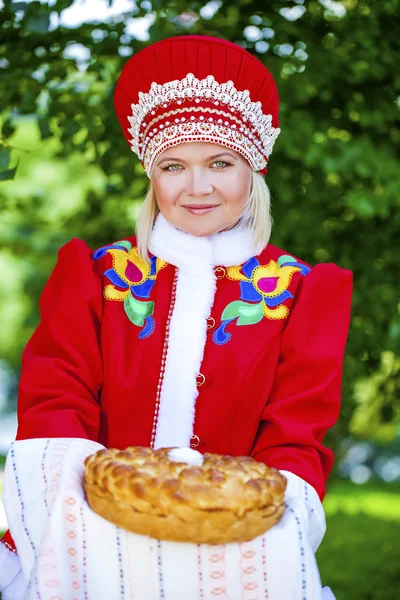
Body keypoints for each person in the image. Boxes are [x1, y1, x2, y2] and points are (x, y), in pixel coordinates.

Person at [0, 35, 352, 599]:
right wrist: (103, 529)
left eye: (220, 162)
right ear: (151, 174)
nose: (198, 187)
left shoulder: (299, 294)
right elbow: (54, 407)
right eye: (173, 165)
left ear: (253, 167)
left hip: (238, 554)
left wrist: (245, 522)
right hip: (85, 543)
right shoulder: (96, 278)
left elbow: (296, 438)